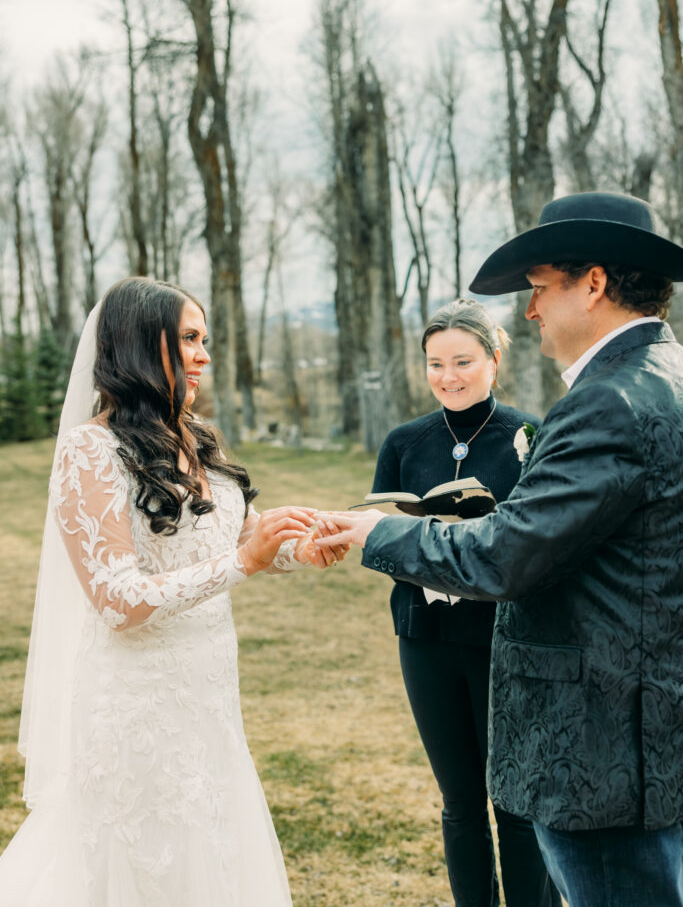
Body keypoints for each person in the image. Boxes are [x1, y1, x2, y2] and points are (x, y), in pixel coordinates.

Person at [316, 192, 683, 907]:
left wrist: (372, 531)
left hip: (604, 747)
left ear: (595, 283)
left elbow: (504, 555)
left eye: (541, 288)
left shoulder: (608, 400)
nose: (530, 310)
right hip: (647, 730)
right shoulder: (664, 377)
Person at [0, 277, 347, 907]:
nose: (203, 355)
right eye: (188, 338)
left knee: (209, 853)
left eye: (203, 338)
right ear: (138, 343)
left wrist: (298, 547)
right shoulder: (90, 450)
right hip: (135, 706)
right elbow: (118, 601)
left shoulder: (195, 437)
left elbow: (227, 541)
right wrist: (244, 561)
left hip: (207, 695)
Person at [371, 298, 557, 907]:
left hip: (505, 639)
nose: (448, 376)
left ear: (494, 361)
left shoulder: (531, 436)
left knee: (515, 800)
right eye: (435, 364)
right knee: (459, 801)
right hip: (424, 638)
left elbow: (545, 541)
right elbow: (380, 538)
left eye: (463, 361)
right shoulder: (403, 442)